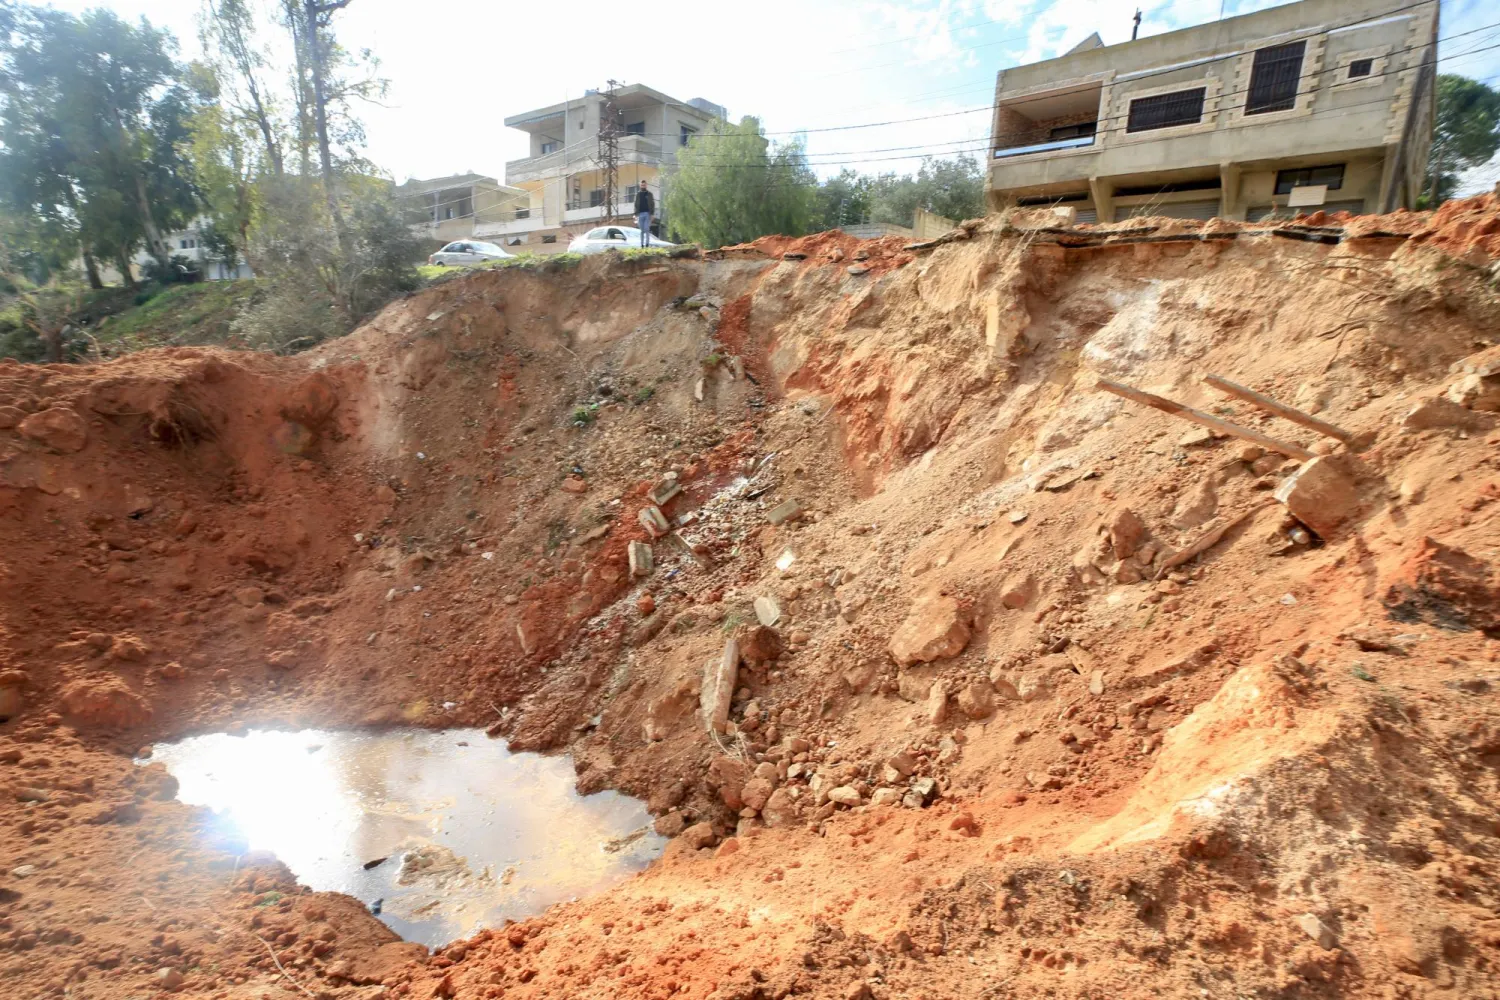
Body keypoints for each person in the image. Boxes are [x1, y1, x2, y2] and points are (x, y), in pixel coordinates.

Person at [634, 180, 655, 247]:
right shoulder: (638, 194)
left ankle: (647, 244)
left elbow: (652, 204)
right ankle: (642, 245)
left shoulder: (649, 194)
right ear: (640, 185)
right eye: (642, 185)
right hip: (640, 214)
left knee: (646, 229)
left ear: (646, 185)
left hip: (647, 214)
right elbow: (635, 204)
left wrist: (652, 214)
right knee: (641, 230)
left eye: (644, 185)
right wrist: (635, 214)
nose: (643, 186)